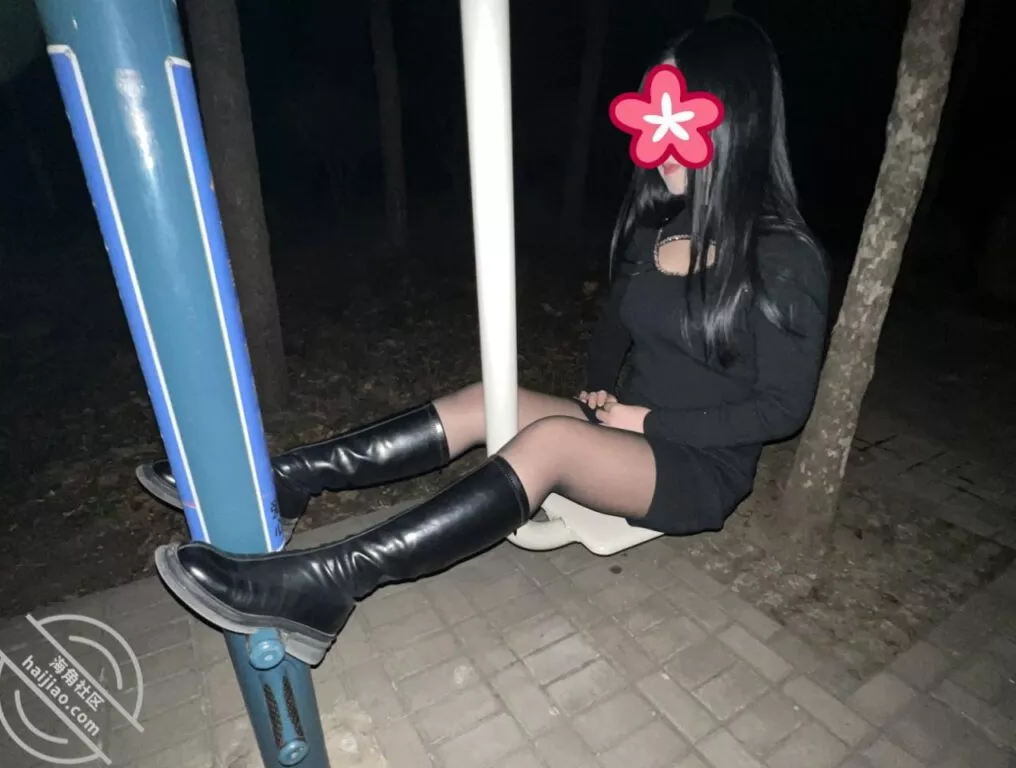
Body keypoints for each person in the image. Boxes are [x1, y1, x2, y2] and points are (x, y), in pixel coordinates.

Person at [149, 15, 829, 667]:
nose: (659, 122)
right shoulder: (660, 226)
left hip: (698, 465)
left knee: (552, 442)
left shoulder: (785, 259)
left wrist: (646, 421)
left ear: (732, 117)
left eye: (677, 103)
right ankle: (289, 480)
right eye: (654, 103)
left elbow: (781, 410)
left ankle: (325, 587)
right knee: (487, 398)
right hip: (627, 425)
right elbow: (615, 325)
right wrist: (600, 390)